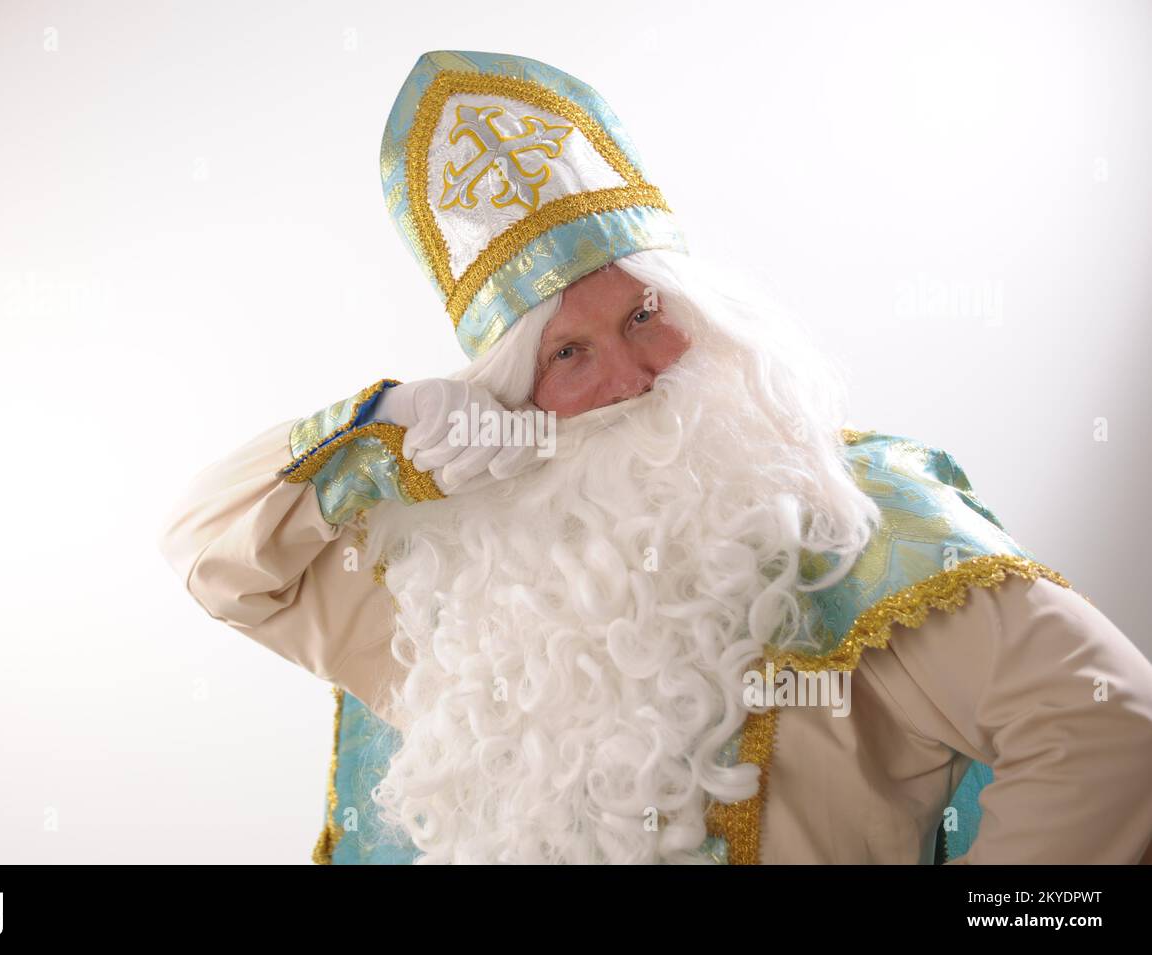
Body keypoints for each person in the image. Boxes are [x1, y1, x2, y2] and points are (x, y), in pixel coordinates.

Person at [157, 49, 1152, 865]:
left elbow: (1116, 733)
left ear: (704, 314)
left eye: (644, 314)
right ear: (504, 392)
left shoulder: (859, 522)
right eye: (567, 353)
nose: (631, 376)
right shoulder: (458, 581)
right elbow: (212, 552)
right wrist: (385, 429)